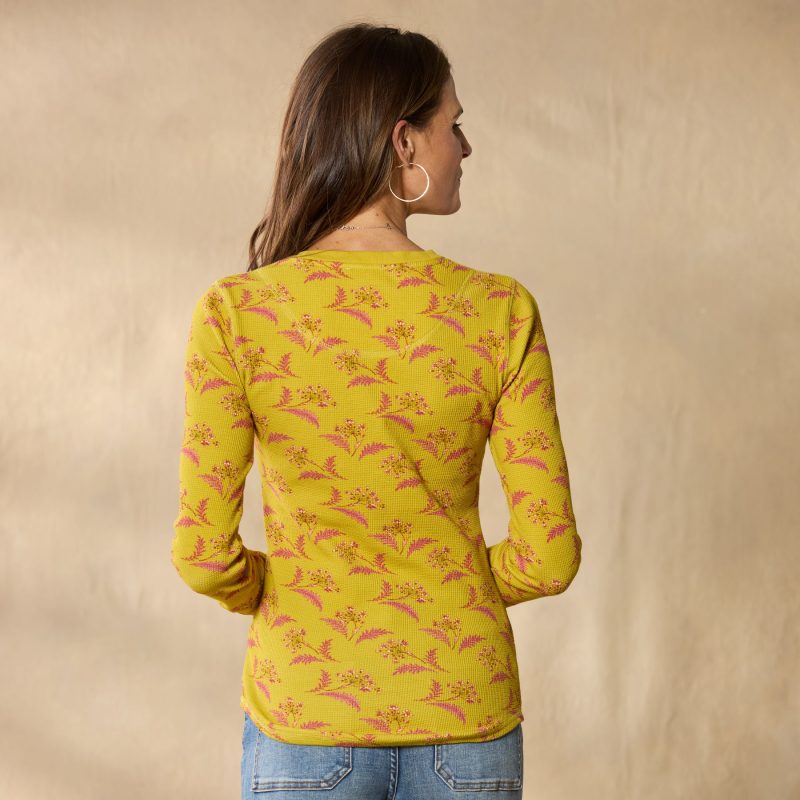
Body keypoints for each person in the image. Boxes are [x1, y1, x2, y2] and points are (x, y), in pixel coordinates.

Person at [171, 21, 582, 800]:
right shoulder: (499, 311)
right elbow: (549, 555)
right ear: (404, 141)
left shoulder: (237, 314)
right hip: (465, 710)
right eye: (454, 125)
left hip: (306, 713)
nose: (466, 146)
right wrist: (452, 584)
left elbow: (202, 555)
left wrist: (293, 593)